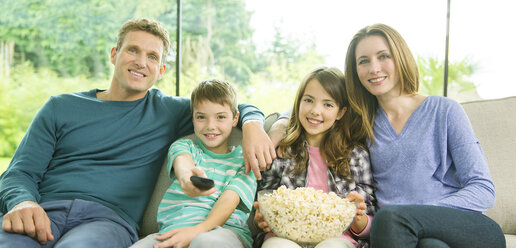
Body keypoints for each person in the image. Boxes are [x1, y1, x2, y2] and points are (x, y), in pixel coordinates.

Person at [0, 18, 275, 247]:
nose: (141, 62)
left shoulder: (169, 111)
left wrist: (252, 125)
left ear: (161, 70)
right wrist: (22, 202)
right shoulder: (60, 107)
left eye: (152, 56)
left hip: (107, 222)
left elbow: (228, 107)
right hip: (43, 211)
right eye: (133, 50)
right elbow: (20, 172)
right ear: (114, 54)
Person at [343, 23, 505, 247]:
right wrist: (279, 126)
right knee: (430, 246)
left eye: (383, 56)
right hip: (405, 236)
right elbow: (312, 113)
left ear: (400, 58)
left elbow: (483, 189)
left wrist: (420, 213)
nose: (374, 68)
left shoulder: (445, 110)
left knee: (389, 216)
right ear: (355, 71)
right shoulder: (361, 124)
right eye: (363, 61)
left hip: (469, 230)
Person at [251, 67, 376, 248]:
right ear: (298, 103)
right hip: (285, 236)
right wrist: (261, 220)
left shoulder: (356, 156)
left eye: (328, 104)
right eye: (309, 100)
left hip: (338, 238)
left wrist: (360, 221)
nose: (316, 111)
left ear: (340, 112)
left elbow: (369, 216)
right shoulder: (282, 151)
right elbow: (266, 201)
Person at [131, 79, 257, 248]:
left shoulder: (245, 159)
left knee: (203, 242)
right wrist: (187, 177)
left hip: (224, 233)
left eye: (220, 117)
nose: (210, 126)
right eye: (201, 117)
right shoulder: (184, 145)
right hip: (172, 232)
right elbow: (183, 163)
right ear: (193, 118)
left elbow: (229, 200)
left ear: (235, 119)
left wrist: (199, 230)